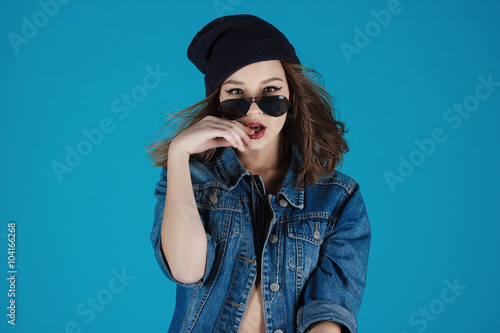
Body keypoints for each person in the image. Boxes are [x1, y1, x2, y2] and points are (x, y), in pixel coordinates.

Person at [148, 14, 371, 333]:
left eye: (270, 92)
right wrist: (179, 153)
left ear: (291, 96)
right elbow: (187, 269)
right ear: (218, 102)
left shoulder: (338, 198)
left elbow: (330, 313)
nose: (253, 110)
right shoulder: (188, 178)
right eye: (236, 94)